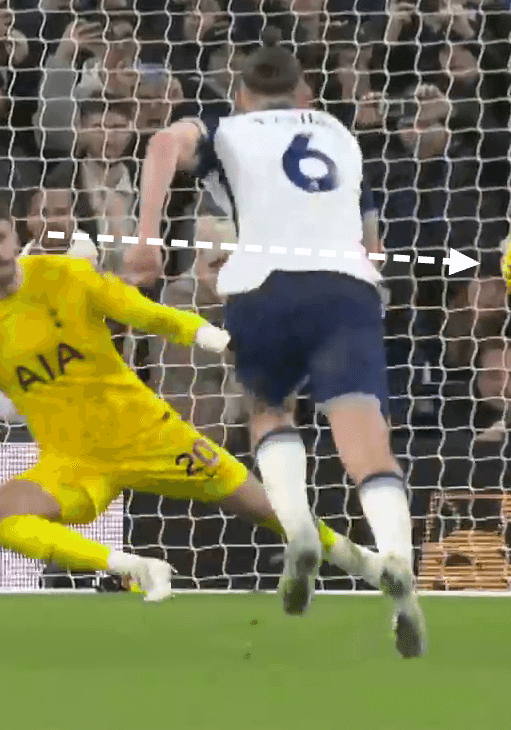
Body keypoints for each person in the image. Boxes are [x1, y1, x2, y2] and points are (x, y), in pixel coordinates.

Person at [0, 201, 383, 602]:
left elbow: (143, 313)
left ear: (15, 237)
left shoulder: (67, 279)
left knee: (269, 510)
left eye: (0, 238)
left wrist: (218, 338)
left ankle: (374, 567)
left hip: (151, 435)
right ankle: (133, 568)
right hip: (74, 464)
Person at [126, 46, 427, 658]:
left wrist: (147, 241)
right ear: (306, 95)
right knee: (365, 437)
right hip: (346, 287)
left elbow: (162, 145)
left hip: (262, 284)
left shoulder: (225, 128)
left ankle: (298, 531)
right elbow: (368, 240)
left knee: (270, 409)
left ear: (241, 95)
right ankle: (398, 565)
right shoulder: (342, 136)